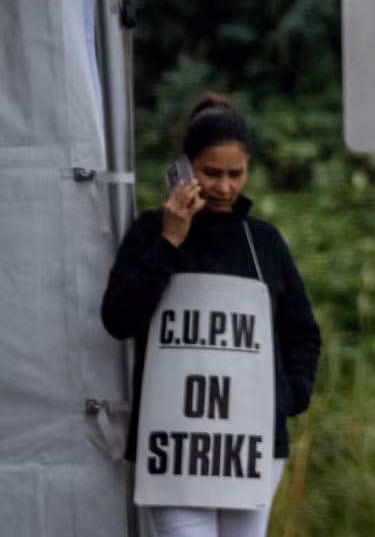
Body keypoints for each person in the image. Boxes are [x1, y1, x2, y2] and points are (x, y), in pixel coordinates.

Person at [101, 93, 321, 537]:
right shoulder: (151, 233)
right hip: (173, 449)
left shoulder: (264, 242)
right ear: (185, 168)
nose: (224, 188)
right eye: (211, 173)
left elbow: (302, 332)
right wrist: (170, 241)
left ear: (248, 170)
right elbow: (119, 319)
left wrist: (287, 395)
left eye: (235, 174)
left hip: (251, 446)